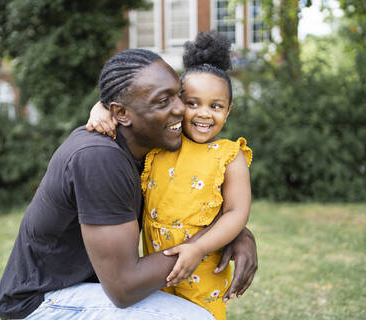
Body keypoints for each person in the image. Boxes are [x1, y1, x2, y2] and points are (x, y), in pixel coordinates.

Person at [0, 48, 258, 320]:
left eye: (178, 95)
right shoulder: (99, 158)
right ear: (121, 113)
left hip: (87, 288)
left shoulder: (152, 150)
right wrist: (208, 242)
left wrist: (236, 232)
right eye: (163, 101)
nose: (182, 109)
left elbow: (187, 200)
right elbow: (124, 288)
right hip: (43, 301)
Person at [86, 31, 252, 319]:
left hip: (203, 272)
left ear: (229, 110)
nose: (204, 114)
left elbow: (237, 212)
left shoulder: (229, 155)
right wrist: (99, 108)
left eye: (216, 106)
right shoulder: (159, 143)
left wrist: (198, 248)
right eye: (192, 103)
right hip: (154, 271)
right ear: (177, 103)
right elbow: (127, 110)